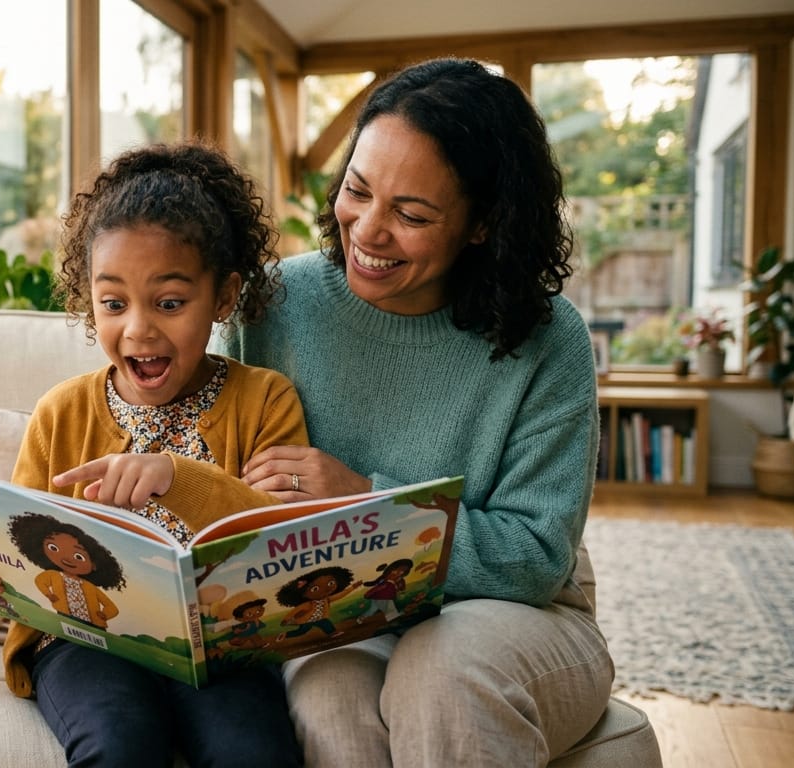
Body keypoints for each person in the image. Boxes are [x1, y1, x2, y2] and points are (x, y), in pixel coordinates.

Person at [223, 57, 614, 767]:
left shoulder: (548, 340)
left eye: (411, 214)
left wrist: (364, 505)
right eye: (357, 190)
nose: (368, 231)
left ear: (481, 225)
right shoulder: (273, 304)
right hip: (337, 615)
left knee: (438, 675)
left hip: (512, 619)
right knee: (327, 702)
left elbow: (533, 559)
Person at [0, 140, 309, 768]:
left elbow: (283, 548)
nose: (137, 328)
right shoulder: (62, 413)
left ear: (223, 297)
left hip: (221, 645)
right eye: (113, 303)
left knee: (253, 752)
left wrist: (177, 477)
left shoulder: (264, 399)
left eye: (169, 302)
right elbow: (21, 557)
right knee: (119, 743)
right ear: (89, 299)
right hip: (81, 640)